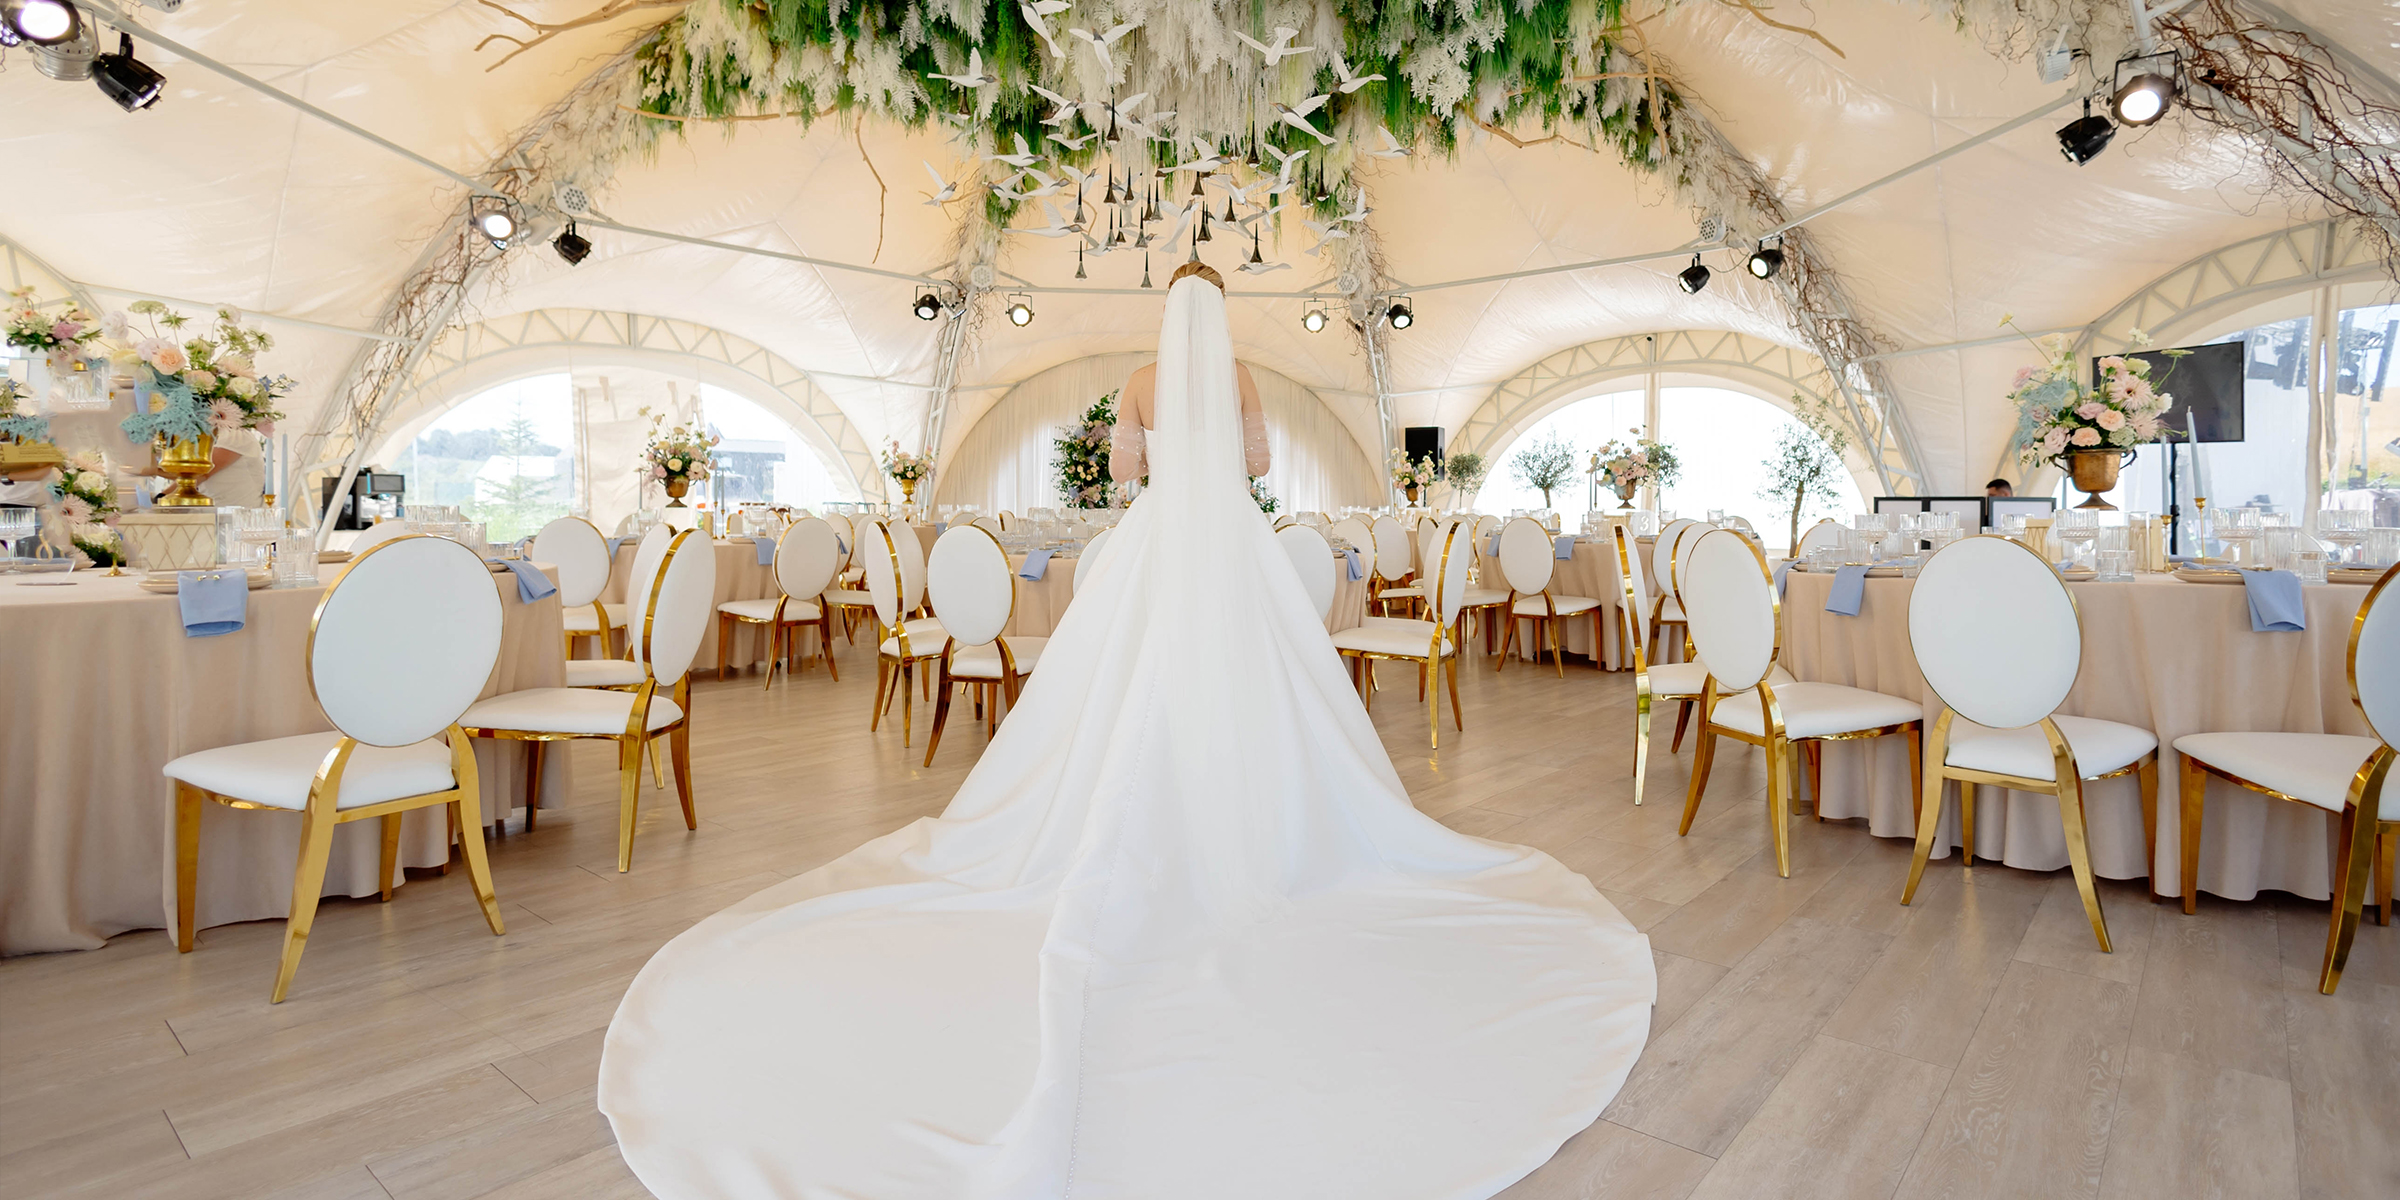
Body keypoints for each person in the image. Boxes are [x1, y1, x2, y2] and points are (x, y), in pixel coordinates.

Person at [597, 262, 1655, 1200]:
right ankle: (1250, 827)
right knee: (1259, 684)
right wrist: (1223, 471)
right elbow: (1255, 467)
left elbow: (1132, 475)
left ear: (1165, 319)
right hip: (1227, 541)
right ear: (1220, 315)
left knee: (1120, 683)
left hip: (1157, 540)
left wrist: (1161, 455)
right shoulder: (1239, 378)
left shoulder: (1142, 386)